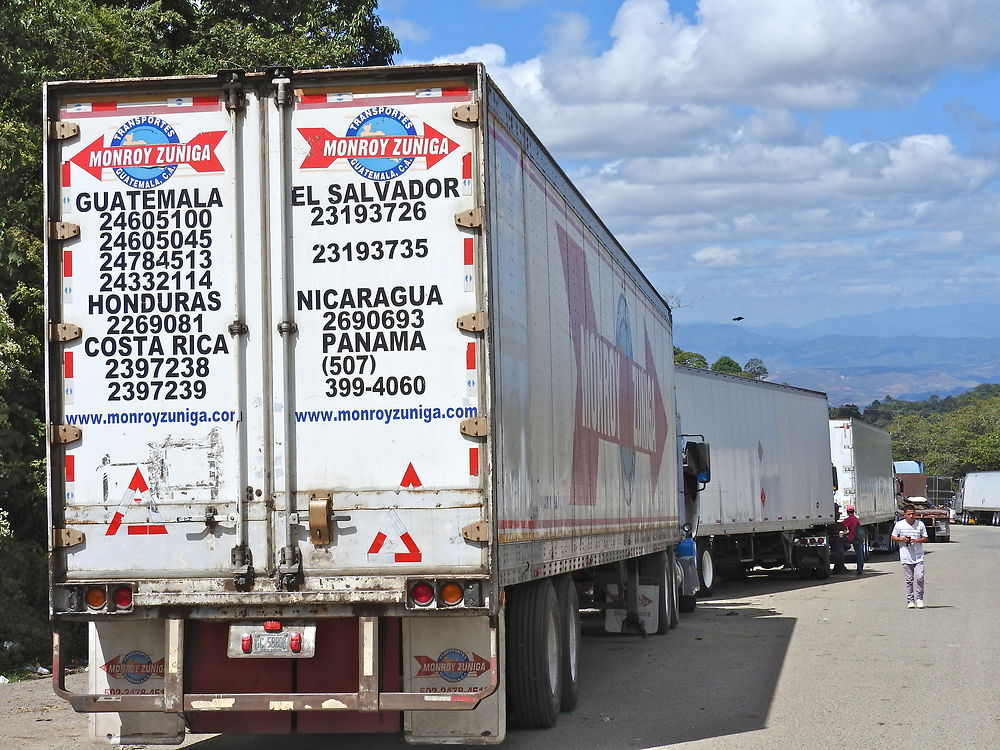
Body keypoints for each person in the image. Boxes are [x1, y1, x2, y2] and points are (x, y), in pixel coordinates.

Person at [891, 504, 929, 608]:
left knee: (920, 577)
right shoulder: (899, 525)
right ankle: (910, 600)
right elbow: (893, 537)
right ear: (905, 515)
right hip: (906, 556)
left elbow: (925, 537)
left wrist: (917, 540)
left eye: (913, 514)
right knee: (909, 580)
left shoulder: (920, 524)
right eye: (909, 514)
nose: (911, 516)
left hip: (918, 556)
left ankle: (920, 599)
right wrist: (902, 539)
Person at [841, 505, 864, 575]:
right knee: (859, 554)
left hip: (851, 538)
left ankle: (841, 554)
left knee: (838, 541)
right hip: (858, 538)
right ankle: (860, 570)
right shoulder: (856, 519)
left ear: (847, 512)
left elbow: (841, 526)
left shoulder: (849, 519)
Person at [830, 504, 849, 574]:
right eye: (837, 510)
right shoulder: (831, 522)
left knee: (845, 547)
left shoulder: (837, 523)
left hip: (836, 540)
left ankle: (840, 567)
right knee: (840, 553)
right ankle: (839, 569)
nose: (838, 513)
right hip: (833, 541)